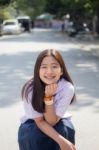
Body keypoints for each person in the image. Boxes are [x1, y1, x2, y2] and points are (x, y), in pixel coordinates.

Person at [18, 49, 76, 150]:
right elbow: (39, 121)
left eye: (54, 66)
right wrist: (61, 140)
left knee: (65, 128)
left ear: (61, 70)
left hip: (56, 119)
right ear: (37, 70)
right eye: (44, 67)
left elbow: (51, 121)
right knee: (31, 134)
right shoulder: (30, 88)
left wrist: (48, 98)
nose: (49, 71)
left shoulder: (67, 87)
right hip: (33, 122)